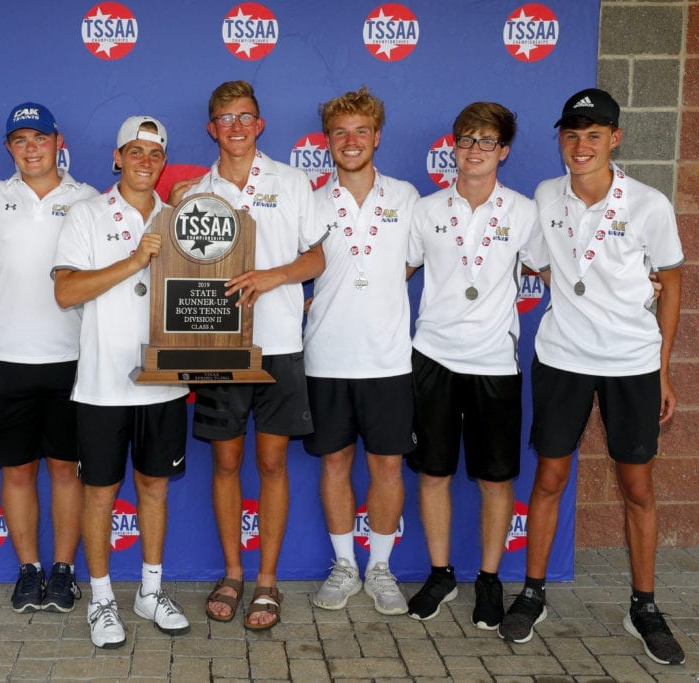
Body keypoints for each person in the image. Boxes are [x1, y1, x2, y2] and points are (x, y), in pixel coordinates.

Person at [499, 88, 685, 666]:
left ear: (615, 139)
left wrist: (663, 370)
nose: (581, 146)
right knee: (550, 477)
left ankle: (645, 607)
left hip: (632, 362)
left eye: (594, 135)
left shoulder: (649, 204)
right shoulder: (545, 194)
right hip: (562, 357)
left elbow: (673, 280)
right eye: (572, 135)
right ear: (561, 140)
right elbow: (545, 262)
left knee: (638, 487)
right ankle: (533, 594)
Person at [172, 80, 326, 630]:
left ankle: (267, 581)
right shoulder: (194, 193)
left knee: (272, 462)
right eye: (225, 119)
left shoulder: (291, 180)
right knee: (227, 461)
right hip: (219, 345)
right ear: (212, 128)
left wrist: (273, 276)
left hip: (281, 345)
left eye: (245, 118)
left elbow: (316, 259)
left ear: (259, 125)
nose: (235, 127)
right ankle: (233, 573)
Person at [405, 102, 545, 630]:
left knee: (494, 478)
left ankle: (489, 579)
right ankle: (441, 574)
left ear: (503, 151)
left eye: (487, 141)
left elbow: (555, 272)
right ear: (453, 146)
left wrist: (622, 298)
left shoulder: (524, 211)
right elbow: (399, 269)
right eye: (466, 139)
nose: (474, 150)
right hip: (433, 357)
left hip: (494, 363)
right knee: (435, 473)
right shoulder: (426, 208)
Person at [53, 115, 190, 648]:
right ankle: (103, 597)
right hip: (103, 384)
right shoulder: (86, 214)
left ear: (162, 162)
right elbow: (66, 292)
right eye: (134, 151)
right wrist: (134, 260)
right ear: (117, 158)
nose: (144, 161)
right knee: (101, 494)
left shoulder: (180, 218)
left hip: (165, 383)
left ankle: (150, 591)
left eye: (154, 154)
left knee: (154, 488)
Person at [0, 102, 98, 613]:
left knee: (67, 470)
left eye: (39, 138)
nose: (30, 148)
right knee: (18, 470)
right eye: (20, 140)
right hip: (5, 358)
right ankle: (29, 570)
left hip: (72, 358)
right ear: (9, 147)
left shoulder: (88, 199)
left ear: (57, 140)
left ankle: (64, 570)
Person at [302, 87, 417, 615]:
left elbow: (417, 262)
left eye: (361, 131)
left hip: (389, 360)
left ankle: (381, 568)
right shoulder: (310, 200)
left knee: (388, 466)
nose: (351, 141)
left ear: (377, 136)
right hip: (326, 356)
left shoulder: (407, 197)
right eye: (341, 132)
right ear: (327, 140)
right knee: (334, 464)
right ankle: (345, 565)